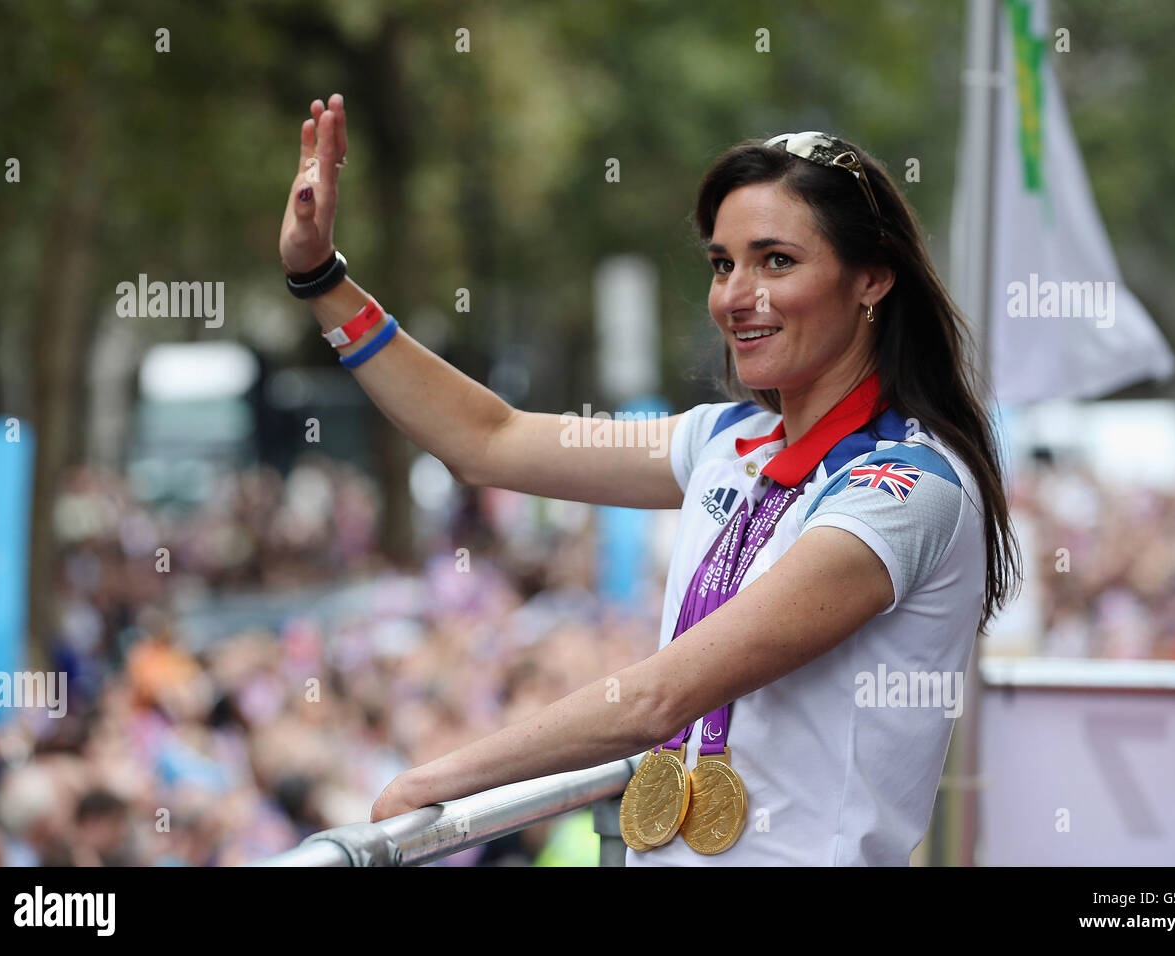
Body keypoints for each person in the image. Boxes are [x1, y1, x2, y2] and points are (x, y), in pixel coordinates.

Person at [278, 96, 1021, 865]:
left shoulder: (905, 485)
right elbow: (487, 440)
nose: (737, 296)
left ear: (871, 280)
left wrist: (435, 784)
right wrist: (322, 281)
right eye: (723, 264)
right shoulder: (726, 438)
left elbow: (653, 700)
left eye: (777, 261)